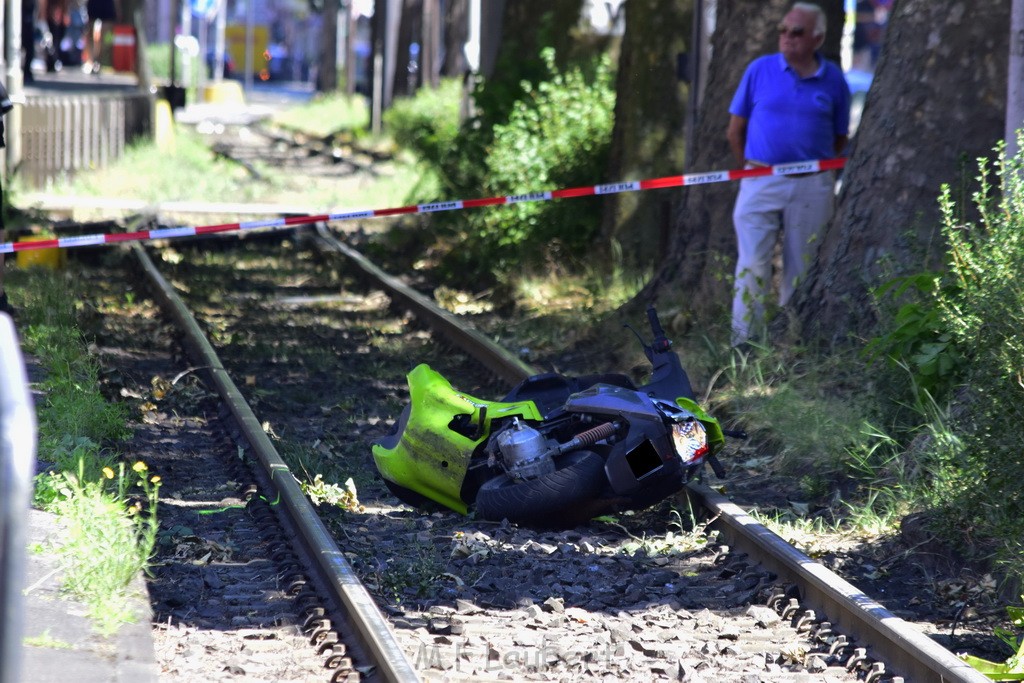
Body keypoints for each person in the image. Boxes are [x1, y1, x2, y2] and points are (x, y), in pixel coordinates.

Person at [725, 1, 851, 347]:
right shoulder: (759, 70)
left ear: (817, 38)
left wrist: (811, 166)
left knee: (804, 269)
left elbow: (840, 137)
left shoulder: (834, 80)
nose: (787, 38)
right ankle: (743, 344)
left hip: (812, 186)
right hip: (759, 179)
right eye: (782, 30)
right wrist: (752, 169)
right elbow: (735, 130)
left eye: (796, 32)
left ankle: (792, 343)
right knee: (752, 264)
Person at [82, 0, 116, 74]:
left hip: (107, 4)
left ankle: (98, 59)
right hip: (94, 3)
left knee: (105, 34)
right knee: (90, 32)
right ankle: (91, 60)